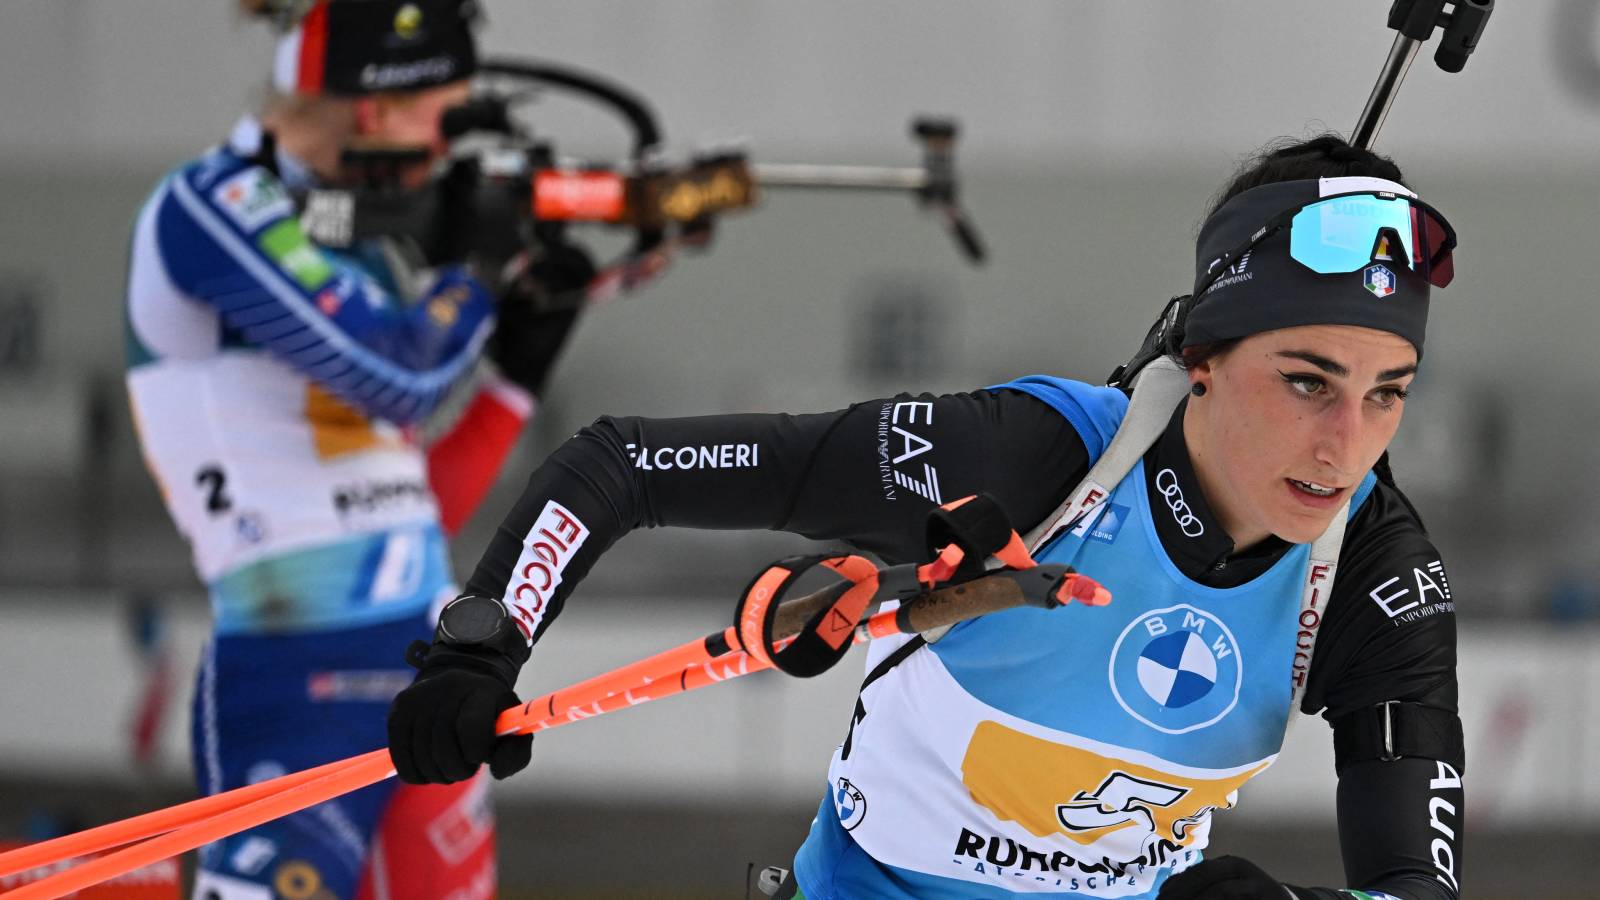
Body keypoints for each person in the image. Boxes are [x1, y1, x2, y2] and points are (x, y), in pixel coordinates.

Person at [386, 135, 1466, 900]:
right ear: (1202, 360)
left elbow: (1414, 890)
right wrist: (483, 641)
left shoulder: (1373, 570)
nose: (1345, 444)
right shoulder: (1036, 456)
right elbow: (625, 464)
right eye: (1307, 381)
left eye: (1388, 392)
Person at [125, 1, 592, 896]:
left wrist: (512, 381)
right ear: (376, 111)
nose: (452, 148)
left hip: (429, 655)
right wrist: (481, 271)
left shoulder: (365, 251)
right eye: (446, 116)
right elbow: (401, 373)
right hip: (296, 670)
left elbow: (407, 512)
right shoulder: (208, 204)